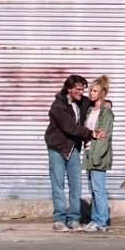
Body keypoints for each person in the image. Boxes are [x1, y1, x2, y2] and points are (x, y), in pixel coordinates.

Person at [44, 74, 104, 232]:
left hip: (74, 149)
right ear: (69, 89)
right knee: (58, 185)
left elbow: (97, 101)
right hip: (57, 148)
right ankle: (59, 220)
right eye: (78, 89)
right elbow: (70, 128)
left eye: (83, 89)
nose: (81, 92)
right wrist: (92, 133)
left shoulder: (82, 102)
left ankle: (74, 219)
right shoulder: (58, 106)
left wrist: (107, 105)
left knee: (76, 186)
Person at [83, 75, 114, 232]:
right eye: (90, 90)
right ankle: (95, 220)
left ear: (102, 93)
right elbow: (89, 132)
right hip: (89, 152)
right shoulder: (90, 110)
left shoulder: (106, 112)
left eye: (94, 91)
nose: (91, 93)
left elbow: (104, 137)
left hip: (98, 155)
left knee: (98, 188)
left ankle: (101, 221)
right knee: (93, 189)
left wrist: (96, 157)